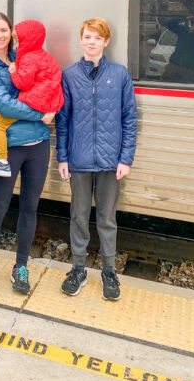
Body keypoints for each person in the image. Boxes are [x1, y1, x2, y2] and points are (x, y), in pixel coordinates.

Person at [55, 17, 137, 301]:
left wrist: (125, 158)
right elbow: (63, 120)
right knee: (78, 216)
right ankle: (78, 270)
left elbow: (129, 118)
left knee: (106, 218)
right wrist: (62, 158)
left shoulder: (120, 74)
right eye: (87, 37)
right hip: (78, 162)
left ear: (106, 42)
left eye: (96, 38)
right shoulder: (69, 75)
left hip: (110, 163)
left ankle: (109, 272)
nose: (91, 42)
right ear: (81, 40)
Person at [0, 13, 52, 295]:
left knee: (30, 208)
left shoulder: (25, 58)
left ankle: (21, 266)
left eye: (4, 30)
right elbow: (4, 107)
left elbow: (45, 86)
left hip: (39, 146)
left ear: (11, 33)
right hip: (7, 147)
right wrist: (41, 113)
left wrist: (47, 104)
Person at [0, 19, 64, 177]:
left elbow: (23, 84)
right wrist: (51, 109)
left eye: (19, 40)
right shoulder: (47, 57)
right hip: (47, 101)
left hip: (34, 101)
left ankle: (1, 162)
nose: (17, 43)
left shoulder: (27, 58)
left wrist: (13, 72)